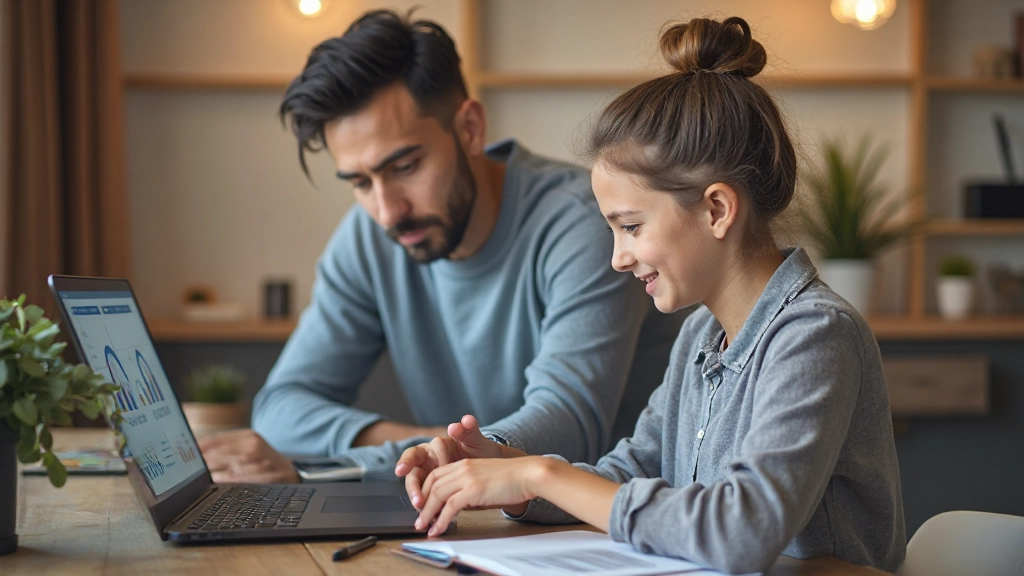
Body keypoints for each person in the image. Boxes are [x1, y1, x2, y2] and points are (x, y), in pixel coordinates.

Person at [396, 16, 906, 575]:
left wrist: (539, 475)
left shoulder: (815, 335)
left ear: (716, 209)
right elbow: (630, 474)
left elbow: (741, 531)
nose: (617, 257)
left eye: (631, 227)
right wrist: (509, 476)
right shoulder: (700, 335)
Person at [197, 10, 684, 484]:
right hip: (469, 515)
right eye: (361, 182)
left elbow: (567, 429)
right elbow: (281, 409)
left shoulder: (579, 221)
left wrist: (423, 456)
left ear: (470, 128)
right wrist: (430, 444)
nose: (388, 211)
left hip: (605, 523)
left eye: (405, 167)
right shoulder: (370, 238)